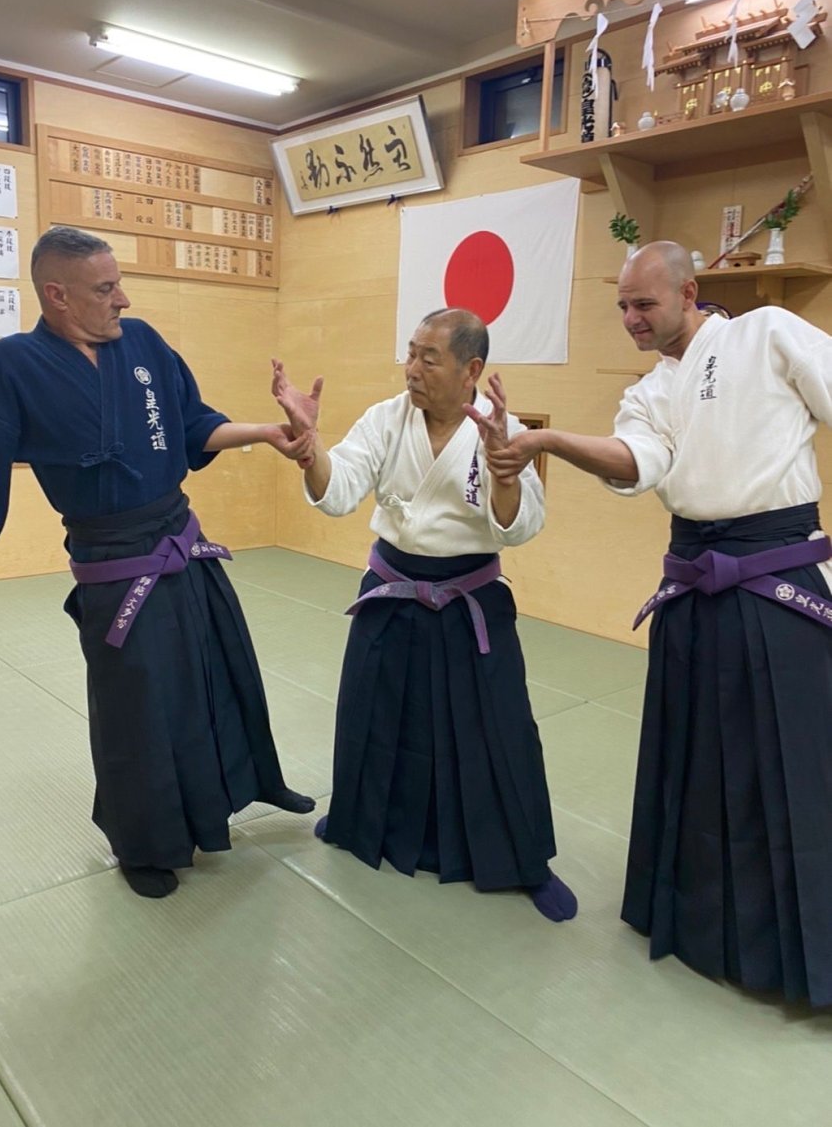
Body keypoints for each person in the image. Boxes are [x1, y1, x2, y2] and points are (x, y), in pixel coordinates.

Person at [477, 240, 832, 1005]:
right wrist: (544, 441)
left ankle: (806, 952)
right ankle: (700, 925)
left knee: (793, 761)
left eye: (645, 303)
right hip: (695, 587)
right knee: (697, 762)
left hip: (777, 576)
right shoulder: (649, 393)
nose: (633, 319)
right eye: (623, 307)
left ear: (689, 290)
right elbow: (638, 463)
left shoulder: (767, 331)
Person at [0, 226, 315, 899]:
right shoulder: (12, 365)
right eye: (106, 289)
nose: (124, 300)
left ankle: (222, 800)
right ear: (57, 295)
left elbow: (195, 425)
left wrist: (266, 432)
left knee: (209, 678)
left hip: (181, 542)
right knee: (135, 709)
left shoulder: (143, 346)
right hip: (111, 562)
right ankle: (144, 844)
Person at [272, 308, 577, 922]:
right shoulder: (387, 419)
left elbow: (520, 529)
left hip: (470, 599)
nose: (412, 369)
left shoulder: (502, 431)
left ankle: (522, 858)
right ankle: (362, 819)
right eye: (410, 354)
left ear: (472, 370)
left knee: (498, 730)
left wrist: (504, 475)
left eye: (427, 358)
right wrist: (311, 452)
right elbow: (339, 489)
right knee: (376, 715)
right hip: (392, 590)